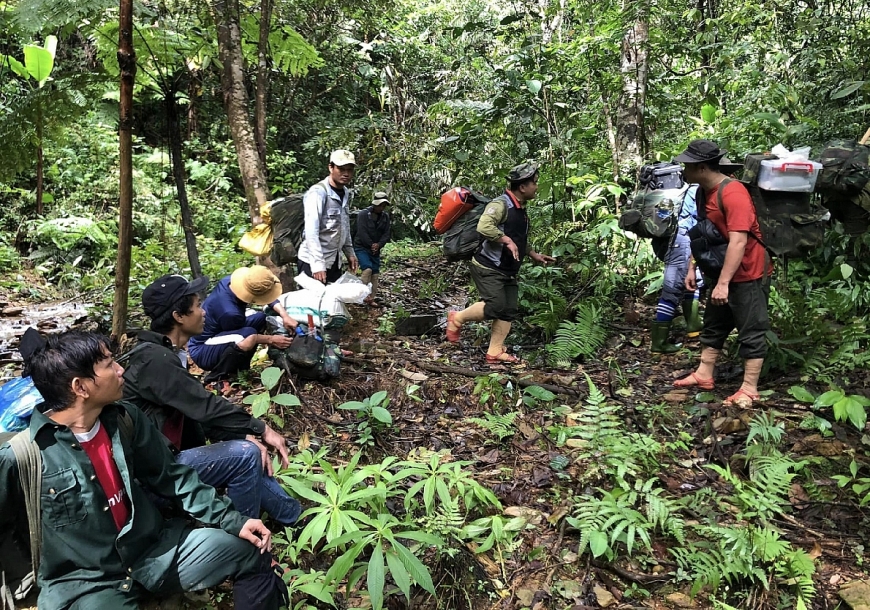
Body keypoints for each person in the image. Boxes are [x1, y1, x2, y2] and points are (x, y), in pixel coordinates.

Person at [0, 330, 287, 609]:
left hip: (155, 552)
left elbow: (172, 477)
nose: (121, 370)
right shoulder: (23, 456)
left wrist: (232, 520)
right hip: (88, 584)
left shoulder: (125, 419)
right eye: (109, 364)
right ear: (80, 387)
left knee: (252, 552)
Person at [122, 274, 301, 527]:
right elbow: (204, 405)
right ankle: (246, 548)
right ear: (178, 316)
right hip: (156, 471)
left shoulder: (166, 353)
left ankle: (293, 517)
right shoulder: (155, 360)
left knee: (244, 444)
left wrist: (242, 432)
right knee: (245, 453)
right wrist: (261, 428)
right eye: (197, 306)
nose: (203, 311)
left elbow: (194, 412)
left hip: (167, 455)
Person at [672, 140, 770, 408]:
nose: (684, 170)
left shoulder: (733, 193)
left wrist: (724, 283)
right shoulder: (703, 191)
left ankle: (749, 388)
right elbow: (706, 234)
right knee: (714, 324)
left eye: (687, 166)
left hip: (747, 271)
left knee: (751, 328)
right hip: (720, 269)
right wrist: (694, 266)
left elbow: (739, 241)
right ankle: (704, 374)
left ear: (701, 167)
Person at [445, 162, 556, 364]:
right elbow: (484, 226)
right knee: (496, 305)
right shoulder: (500, 204)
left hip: (507, 269)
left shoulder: (520, 209)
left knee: (509, 309)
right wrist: (506, 240)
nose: (536, 187)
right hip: (488, 265)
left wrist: (533, 254)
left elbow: (518, 236)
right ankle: (457, 318)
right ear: (522, 187)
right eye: (534, 183)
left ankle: (494, 351)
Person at [188, 266, 295, 384]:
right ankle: (218, 375)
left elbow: (264, 295)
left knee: (260, 318)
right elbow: (246, 338)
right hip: (202, 349)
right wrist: (271, 339)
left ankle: (241, 368)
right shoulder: (230, 313)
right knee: (249, 334)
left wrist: (285, 315)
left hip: (222, 330)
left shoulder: (230, 281)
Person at [650, 185, 704, 353]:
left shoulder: (686, 187)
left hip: (676, 238)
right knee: (672, 289)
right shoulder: (699, 189)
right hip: (681, 239)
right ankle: (659, 344)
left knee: (694, 277)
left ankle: (693, 325)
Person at [297, 149, 360, 284]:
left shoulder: (345, 192)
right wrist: (318, 265)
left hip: (333, 261)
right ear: (331, 167)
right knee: (312, 304)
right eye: (341, 169)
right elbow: (311, 232)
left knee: (330, 303)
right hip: (312, 262)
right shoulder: (318, 193)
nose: (346, 174)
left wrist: (350, 252)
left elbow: (344, 225)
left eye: (350, 170)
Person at [353, 191, 392, 303]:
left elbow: (386, 233)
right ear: (375, 204)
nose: (382, 208)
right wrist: (371, 245)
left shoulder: (385, 217)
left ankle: (371, 298)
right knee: (367, 269)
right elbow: (362, 232)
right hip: (362, 246)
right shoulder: (363, 215)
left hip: (376, 249)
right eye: (380, 205)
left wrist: (379, 245)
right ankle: (360, 296)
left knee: (375, 273)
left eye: (383, 206)